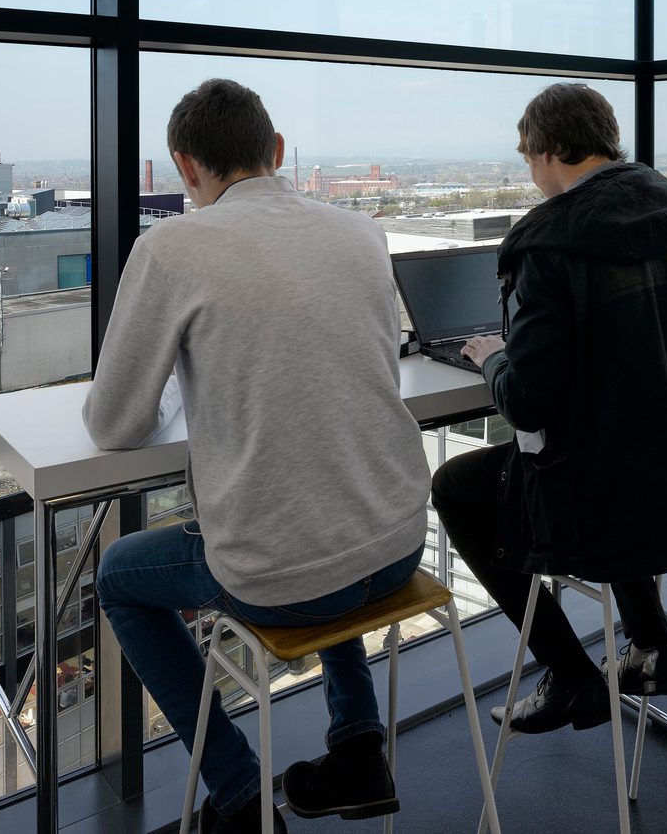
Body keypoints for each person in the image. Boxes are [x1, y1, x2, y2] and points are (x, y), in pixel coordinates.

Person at [83, 79, 431, 833]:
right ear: (274, 152)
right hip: (401, 542)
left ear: (184, 167)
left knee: (117, 578)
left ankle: (238, 791)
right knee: (323, 503)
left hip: (288, 580)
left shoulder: (170, 246)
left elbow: (113, 422)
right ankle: (358, 747)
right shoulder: (359, 232)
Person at [431, 83, 667, 734]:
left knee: (456, 485)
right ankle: (650, 647)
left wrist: (491, 355)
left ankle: (571, 677)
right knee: (611, 440)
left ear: (551, 151)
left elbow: (526, 400)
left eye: (527, 158)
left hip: (612, 504)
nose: (531, 174)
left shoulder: (546, 244)